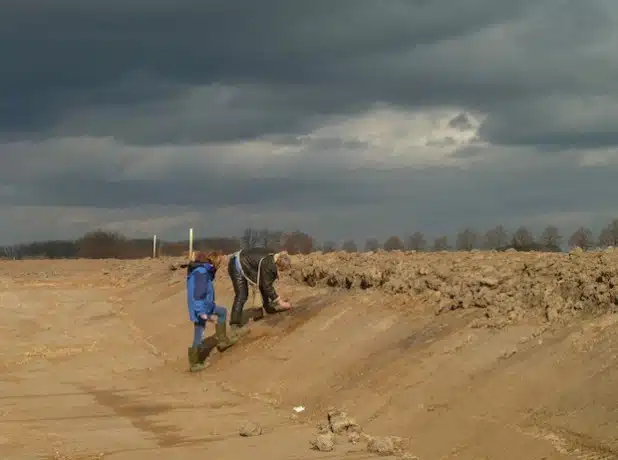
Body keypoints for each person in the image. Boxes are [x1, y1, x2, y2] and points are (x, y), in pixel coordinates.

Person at [186, 251, 237, 372]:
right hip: (201, 308)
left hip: (206, 306)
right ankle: (195, 363)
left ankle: (222, 341)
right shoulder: (202, 273)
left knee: (222, 312)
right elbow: (198, 294)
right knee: (199, 333)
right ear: (215, 262)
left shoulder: (203, 270)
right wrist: (201, 313)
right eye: (219, 263)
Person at [227, 248, 292, 336]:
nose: (282, 272)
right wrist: (280, 302)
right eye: (282, 269)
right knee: (242, 295)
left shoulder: (272, 258)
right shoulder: (269, 265)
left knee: (262, 283)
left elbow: (264, 283)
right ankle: (234, 325)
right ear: (279, 265)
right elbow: (267, 286)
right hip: (236, 264)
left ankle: (267, 307)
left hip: (244, 261)